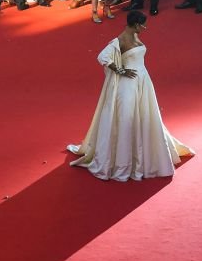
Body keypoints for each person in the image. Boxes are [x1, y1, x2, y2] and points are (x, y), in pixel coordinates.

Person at [68, 11, 193, 181]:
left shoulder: (133, 35)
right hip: (128, 84)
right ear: (135, 24)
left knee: (144, 115)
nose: (144, 28)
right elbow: (102, 56)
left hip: (142, 81)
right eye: (142, 25)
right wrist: (120, 70)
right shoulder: (119, 40)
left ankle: (143, 157)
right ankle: (124, 162)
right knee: (126, 117)